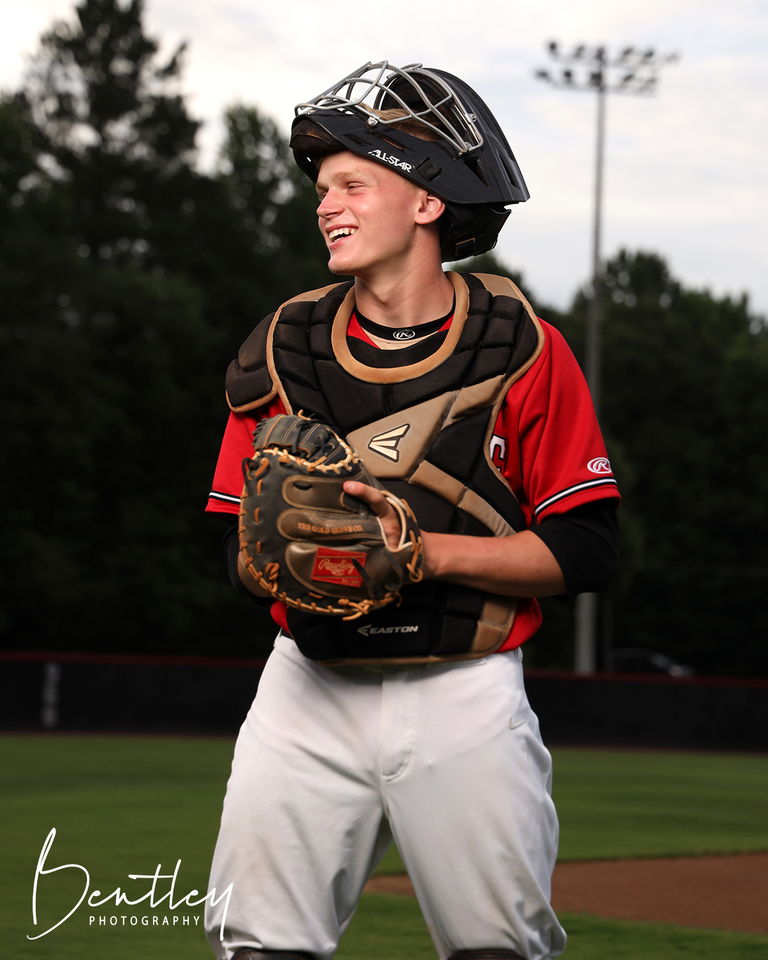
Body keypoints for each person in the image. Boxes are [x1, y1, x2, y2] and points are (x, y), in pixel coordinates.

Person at [204, 61, 620, 960]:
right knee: (257, 943)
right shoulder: (281, 350)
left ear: (428, 201)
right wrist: (278, 557)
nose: (327, 203)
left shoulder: (523, 348)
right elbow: (237, 549)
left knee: (496, 949)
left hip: (464, 691)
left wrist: (421, 553)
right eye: (322, 188)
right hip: (307, 687)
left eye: (354, 181)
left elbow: (588, 547)